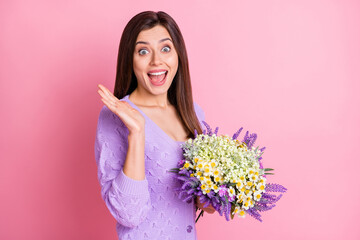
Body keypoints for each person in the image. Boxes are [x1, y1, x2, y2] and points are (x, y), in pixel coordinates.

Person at [94, 11, 215, 240]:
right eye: (143, 51)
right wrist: (138, 133)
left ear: (178, 55)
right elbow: (129, 215)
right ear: (130, 59)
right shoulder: (115, 117)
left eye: (165, 48)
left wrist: (226, 191)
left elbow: (201, 203)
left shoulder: (192, 112)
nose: (156, 61)